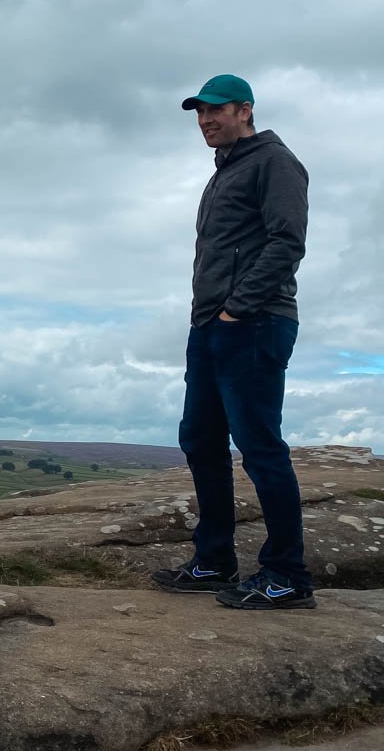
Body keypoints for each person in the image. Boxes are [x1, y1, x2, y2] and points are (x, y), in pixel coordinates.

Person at [152, 74, 315, 610]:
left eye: (215, 111)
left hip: (255, 323)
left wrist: (235, 310)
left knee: (260, 447)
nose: (205, 121)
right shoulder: (224, 172)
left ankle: (287, 575)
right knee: (200, 439)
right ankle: (214, 560)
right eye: (199, 113)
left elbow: (287, 241)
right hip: (212, 327)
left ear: (245, 110)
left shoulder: (275, 162)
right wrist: (212, 319)